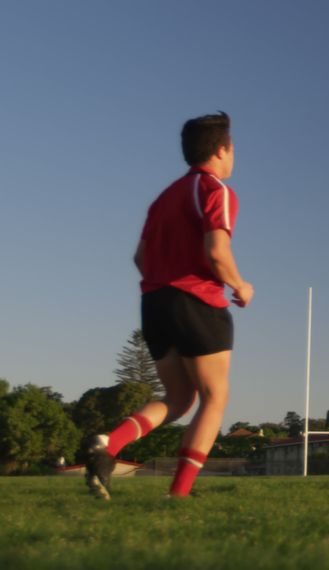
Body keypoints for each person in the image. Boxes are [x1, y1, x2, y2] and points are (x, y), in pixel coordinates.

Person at [84, 112, 253, 499]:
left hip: (154, 303)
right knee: (214, 397)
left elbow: (140, 258)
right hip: (196, 302)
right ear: (223, 149)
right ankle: (178, 493)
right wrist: (240, 285)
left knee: (178, 399)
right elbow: (217, 252)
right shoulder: (216, 191)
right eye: (233, 149)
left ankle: (106, 446)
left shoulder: (163, 199)